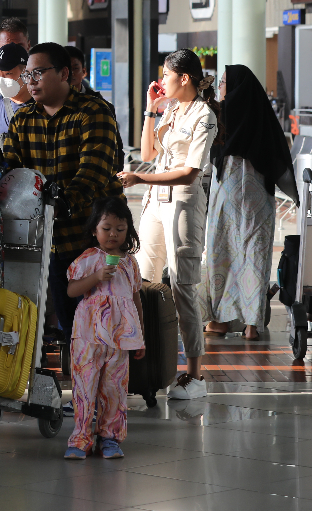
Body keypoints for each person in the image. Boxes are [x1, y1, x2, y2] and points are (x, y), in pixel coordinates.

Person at [4, 42, 124, 340]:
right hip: (50, 239)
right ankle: (76, 367)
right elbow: (13, 173)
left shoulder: (93, 112)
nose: (30, 82)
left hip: (93, 239)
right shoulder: (22, 119)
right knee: (70, 326)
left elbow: (93, 172)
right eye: (27, 75)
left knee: (104, 324)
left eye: (38, 73)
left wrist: (60, 205)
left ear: (64, 73)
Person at [118, 49, 218, 399]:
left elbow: (190, 172)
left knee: (182, 285)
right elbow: (147, 154)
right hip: (156, 202)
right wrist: (151, 109)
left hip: (183, 203)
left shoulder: (204, 115)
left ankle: (194, 374)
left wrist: (141, 179)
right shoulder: (172, 109)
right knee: (143, 281)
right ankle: (149, 362)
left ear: (184, 78)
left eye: (166, 74)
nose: (161, 80)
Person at [201, 65, 296, 341]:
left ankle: (219, 320)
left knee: (221, 254)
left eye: (223, 82)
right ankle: (252, 325)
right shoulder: (261, 114)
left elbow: (207, 151)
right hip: (258, 198)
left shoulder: (219, 114)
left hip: (226, 193)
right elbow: (278, 158)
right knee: (254, 256)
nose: (220, 86)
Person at [63, 196, 146, 461]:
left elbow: (135, 300)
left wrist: (140, 336)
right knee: (84, 386)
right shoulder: (88, 259)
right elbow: (72, 290)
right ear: (94, 230)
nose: (113, 234)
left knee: (114, 388)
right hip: (88, 336)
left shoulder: (130, 263)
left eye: (120, 229)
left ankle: (110, 438)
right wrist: (97, 277)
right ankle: (80, 439)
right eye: (106, 228)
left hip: (119, 338)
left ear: (128, 231)